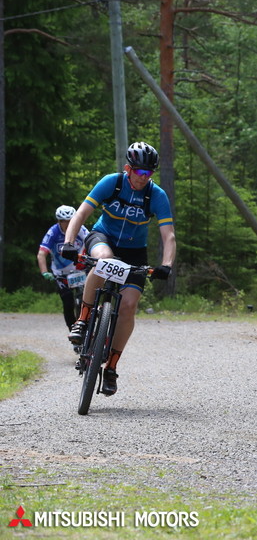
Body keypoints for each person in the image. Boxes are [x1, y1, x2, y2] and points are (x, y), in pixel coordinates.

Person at [60, 141, 176, 397]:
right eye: (139, 172)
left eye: (148, 174)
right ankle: (82, 320)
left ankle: (111, 367)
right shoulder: (111, 182)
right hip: (103, 237)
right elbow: (80, 215)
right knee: (104, 261)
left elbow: (168, 236)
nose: (143, 178)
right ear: (128, 169)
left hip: (135, 250)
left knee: (128, 305)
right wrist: (69, 243)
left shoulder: (156, 196)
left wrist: (166, 265)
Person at [37, 205, 90, 331]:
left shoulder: (81, 229)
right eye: (63, 221)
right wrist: (44, 272)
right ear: (58, 221)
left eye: (70, 221)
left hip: (80, 269)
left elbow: (92, 242)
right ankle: (72, 330)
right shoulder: (53, 232)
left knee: (88, 299)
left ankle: (89, 326)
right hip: (61, 273)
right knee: (67, 302)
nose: (67, 224)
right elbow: (41, 254)